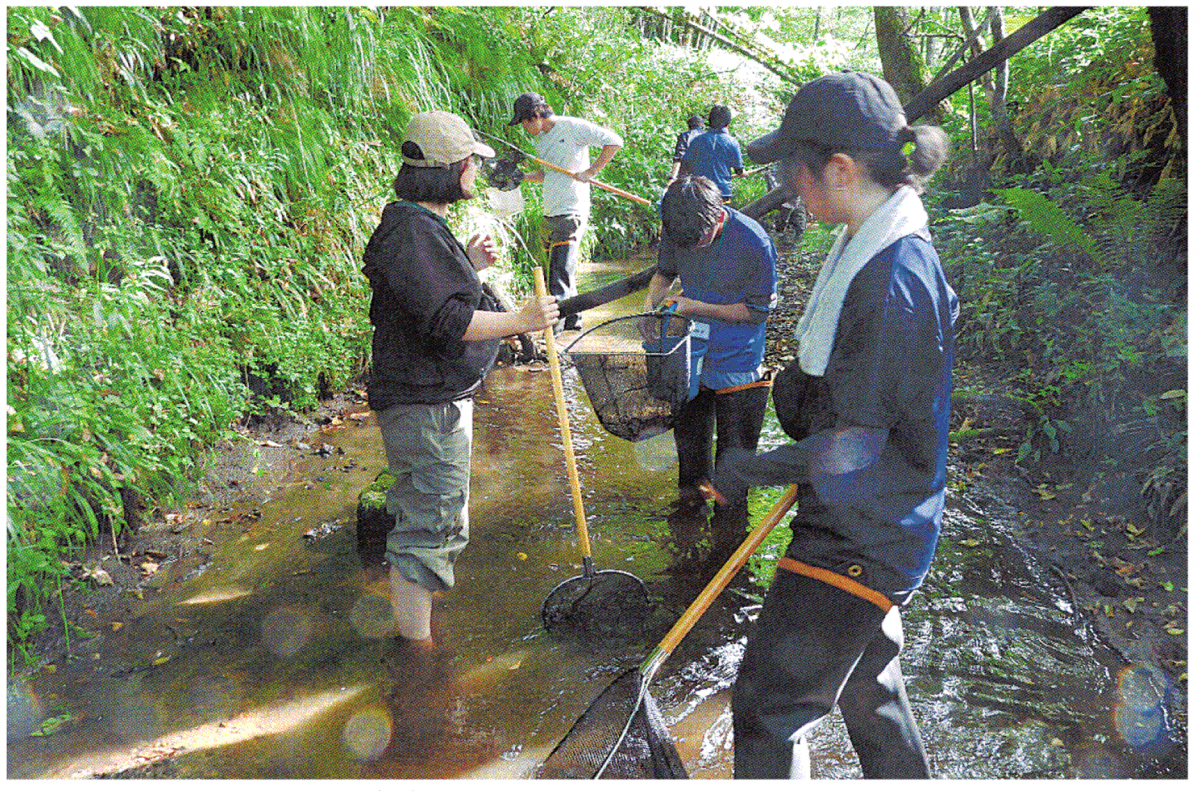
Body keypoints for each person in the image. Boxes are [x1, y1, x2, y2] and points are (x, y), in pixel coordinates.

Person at [702, 71, 955, 778]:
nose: (788, 184)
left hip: (864, 533)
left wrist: (750, 464)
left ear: (839, 170)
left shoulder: (892, 280)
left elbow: (854, 443)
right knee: (868, 691)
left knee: (767, 707)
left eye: (793, 169)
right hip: (882, 519)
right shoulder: (872, 239)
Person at [362, 110, 559, 657]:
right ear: (449, 168)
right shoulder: (410, 231)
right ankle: (417, 658)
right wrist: (521, 320)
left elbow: (428, 301)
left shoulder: (418, 226)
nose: (475, 168)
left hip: (429, 399)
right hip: (424, 406)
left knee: (437, 521)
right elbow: (450, 322)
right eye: (470, 160)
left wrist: (468, 267)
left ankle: (418, 623)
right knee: (429, 530)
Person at [644, 175, 777, 569]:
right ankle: (685, 549)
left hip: (738, 361)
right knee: (691, 465)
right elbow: (664, 273)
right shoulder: (678, 226)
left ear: (718, 218)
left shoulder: (754, 242)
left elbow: (756, 312)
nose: (690, 248)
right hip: (689, 353)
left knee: (733, 472)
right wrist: (653, 306)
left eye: (698, 242)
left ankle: (729, 560)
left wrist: (696, 307)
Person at [508, 91, 623, 333]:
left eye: (525, 122)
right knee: (562, 274)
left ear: (537, 114)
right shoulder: (540, 141)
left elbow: (614, 141)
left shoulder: (571, 127)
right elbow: (547, 174)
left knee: (558, 276)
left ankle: (553, 336)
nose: (525, 128)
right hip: (551, 211)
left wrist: (590, 172)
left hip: (572, 210)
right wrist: (523, 177)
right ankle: (573, 325)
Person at [681, 105, 746, 202]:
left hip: (699, 192)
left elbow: (685, 165)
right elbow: (739, 170)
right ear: (728, 123)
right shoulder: (732, 142)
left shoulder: (697, 140)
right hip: (722, 193)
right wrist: (743, 173)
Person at [668, 114, 705, 184]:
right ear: (702, 126)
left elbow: (679, 158)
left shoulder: (684, 136)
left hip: (685, 176)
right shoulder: (708, 137)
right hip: (704, 177)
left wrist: (672, 178)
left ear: (689, 126)